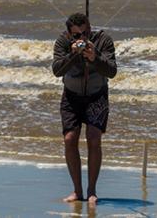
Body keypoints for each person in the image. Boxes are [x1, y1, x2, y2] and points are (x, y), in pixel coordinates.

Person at [51, 11, 117, 205]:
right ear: (70, 34)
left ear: (90, 28)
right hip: (71, 96)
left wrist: (94, 57)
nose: (82, 38)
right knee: (70, 139)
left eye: (85, 33)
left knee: (94, 138)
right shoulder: (63, 42)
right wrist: (73, 54)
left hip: (97, 95)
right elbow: (57, 70)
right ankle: (77, 190)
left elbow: (112, 71)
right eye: (77, 35)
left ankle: (92, 191)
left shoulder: (103, 40)